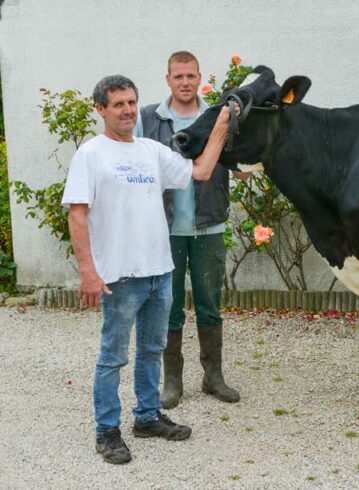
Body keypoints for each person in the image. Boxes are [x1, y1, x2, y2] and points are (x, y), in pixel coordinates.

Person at [62, 74, 232, 464]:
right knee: (113, 356)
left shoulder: (151, 151)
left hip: (159, 271)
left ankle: (148, 416)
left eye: (131, 102)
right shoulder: (91, 154)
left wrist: (222, 124)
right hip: (120, 277)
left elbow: (202, 170)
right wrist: (88, 272)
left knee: (152, 350)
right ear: (101, 109)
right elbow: (77, 214)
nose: (127, 110)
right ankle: (107, 431)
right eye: (118, 104)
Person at [135, 51, 247, 409]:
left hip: (208, 227)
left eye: (191, 76)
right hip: (164, 231)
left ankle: (213, 376)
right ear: (168, 79)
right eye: (178, 76)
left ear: (200, 79)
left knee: (210, 304)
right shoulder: (148, 119)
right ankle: (172, 381)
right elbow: (133, 162)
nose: (185, 82)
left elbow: (239, 164)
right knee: (168, 306)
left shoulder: (216, 118)